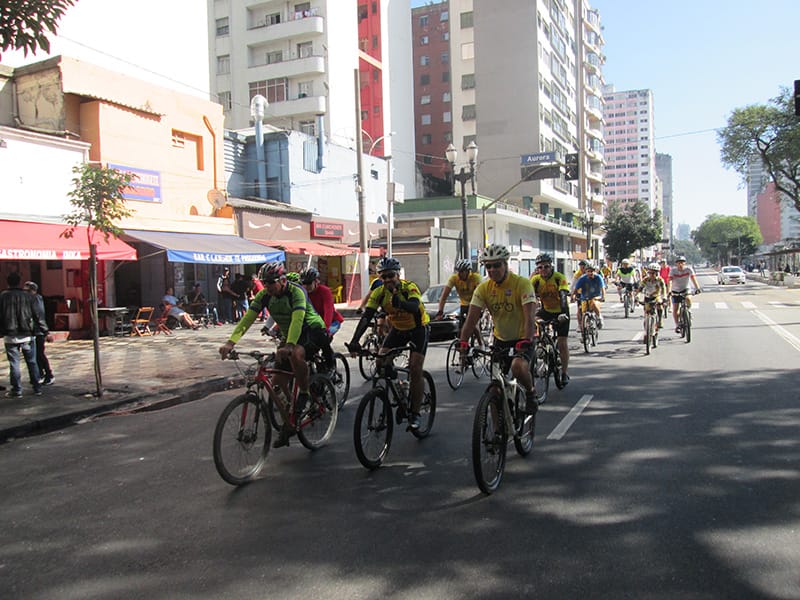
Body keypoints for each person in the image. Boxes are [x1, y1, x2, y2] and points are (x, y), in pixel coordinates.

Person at [219, 262, 331, 448]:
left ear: (283, 280)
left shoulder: (297, 292)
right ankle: (289, 422)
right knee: (276, 381)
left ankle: (304, 393)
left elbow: (297, 320)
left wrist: (289, 345)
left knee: (295, 354)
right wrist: (231, 342)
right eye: (265, 282)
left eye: (271, 282)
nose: (267, 286)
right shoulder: (264, 295)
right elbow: (248, 319)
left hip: (311, 329)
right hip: (290, 334)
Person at [346, 257, 430, 430]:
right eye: (383, 277)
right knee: (380, 361)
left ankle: (415, 413)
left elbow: (415, 306)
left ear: (398, 275)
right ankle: (400, 389)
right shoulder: (379, 292)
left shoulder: (409, 287)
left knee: (415, 368)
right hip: (398, 330)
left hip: (418, 329)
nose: (387, 280)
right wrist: (355, 341)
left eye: (390, 275)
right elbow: (367, 317)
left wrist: (402, 304)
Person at [458, 244, 540, 414]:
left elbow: (529, 317)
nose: (492, 270)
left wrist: (526, 340)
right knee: (495, 390)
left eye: (497, 265)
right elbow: (471, 320)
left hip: (523, 338)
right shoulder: (483, 288)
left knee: (518, 367)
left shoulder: (522, 284)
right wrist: (463, 343)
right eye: (488, 266)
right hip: (500, 340)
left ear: (505, 264)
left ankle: (531, 392)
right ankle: (497, 429)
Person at [0, 272, 48, 397]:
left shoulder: (3, 296)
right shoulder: (28, 296)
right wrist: (45, 331)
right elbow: (37, 315)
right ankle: (37, 387)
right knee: (32, 362)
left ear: (7, 282)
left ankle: (17, 389)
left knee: (14, 363)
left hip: (10, 334)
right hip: (27, 333)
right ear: (19, 282)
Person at [529, 253, 571, 385]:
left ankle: (564, 373)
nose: (543, 270)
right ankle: (542, 344)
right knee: (535, 323)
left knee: (562, 343)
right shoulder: (536, 280)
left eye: (546, 267)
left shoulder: (559, 277)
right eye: (540, 267)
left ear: (551, 266)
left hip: (561, 311)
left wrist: (563, 314)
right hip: (546, 311)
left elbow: (563, 296)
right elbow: (528, 296)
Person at [301, 266, 343, 352]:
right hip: (314, 322)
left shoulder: (324, 291)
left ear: (316, 281)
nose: (306, 286)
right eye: (303, 283)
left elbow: (328, 311)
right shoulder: (302, 293)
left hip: (332, 322)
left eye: (309, 283)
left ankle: (329, 358)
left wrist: (325, 328)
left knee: (323, 339)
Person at [23, 281, 55, 385]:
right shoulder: (29, 299)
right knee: (35, 355)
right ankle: (39, 374)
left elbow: (39, 316)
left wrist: (45, 331)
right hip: (32, 331)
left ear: (33, 290)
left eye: (27, 291)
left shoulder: (36, 299)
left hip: (38, 331)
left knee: (39, 354)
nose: (25, 293)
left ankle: (49, 374)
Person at [435, 258, 482, 329]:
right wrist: (440, 312)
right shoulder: (454, 278)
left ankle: (478, 336)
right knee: (461, 327)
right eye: (458, 271)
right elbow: (444, 297)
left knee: (473, 325)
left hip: (475, 303)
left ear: (468, 271)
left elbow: (480, 295)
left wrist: (481, 308)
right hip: (464, 304)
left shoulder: (476, 278)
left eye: (462, 272)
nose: (459, 274)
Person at [668, 256, 702, 333]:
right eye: (679, 263)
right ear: (676, 264)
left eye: (682, 263)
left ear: (685, 263)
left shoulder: (688, 269)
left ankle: (688, 311)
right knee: (675, 309)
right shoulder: (673, 271)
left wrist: (697, 288)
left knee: (688, 298)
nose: (680, 264)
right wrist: (669, 291)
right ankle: (677, 325)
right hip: (675, 290)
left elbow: (693, 279)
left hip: (685, 289)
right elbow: (669, 281)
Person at [572, 263, 606, 329]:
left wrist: (603, 297)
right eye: (588, 271)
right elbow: (576, 289)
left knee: (593, 303)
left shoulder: (598, 277)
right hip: (585, 297)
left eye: (591, 271)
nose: (590, 273)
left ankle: (599, 317)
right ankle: (581, 327)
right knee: (581, 310)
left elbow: (603, 288)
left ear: (594, 271)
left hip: (596, 297)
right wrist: (572, 297)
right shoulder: (582, 278)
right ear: (586, 271)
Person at [637, 263, 668, 334]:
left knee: (660, 306)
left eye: (653, 273)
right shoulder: (645, 280)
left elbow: (663, 289)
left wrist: (664, 297)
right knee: (646, 315)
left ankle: (660, 320)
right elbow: (640, 289)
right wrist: (637, 297)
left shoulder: (660, 280)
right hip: (647, 297)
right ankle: (647, 331)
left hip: (656, 296)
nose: (651, 275)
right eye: (650, 273)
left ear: (657, 273)